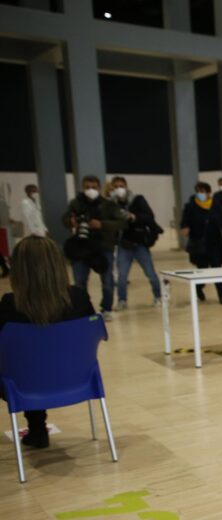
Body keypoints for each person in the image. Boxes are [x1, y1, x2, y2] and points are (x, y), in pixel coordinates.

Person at [0, 236, 95, 449]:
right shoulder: (79, 298)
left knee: (24, 364)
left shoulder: (9, 305)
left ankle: (37, 428)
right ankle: (37, 428)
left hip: (23, 385)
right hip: (78, 378)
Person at [61, 175, 127, 318]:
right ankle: (83, 310)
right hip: (81, 248)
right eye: (87, 187)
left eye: (94, 188)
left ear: (99, 188)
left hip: (103, 248)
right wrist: (71, 221)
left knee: (107, 281)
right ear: (82, 188)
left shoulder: (108, 205)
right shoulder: (75, 204)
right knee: (79, 282)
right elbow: (65, 219)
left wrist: (102, 224)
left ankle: (107, 309)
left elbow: (122, 223)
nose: (90, 190)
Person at [179, 181, 222, 304]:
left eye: (202, 191)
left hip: (214, 244)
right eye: (198, 191)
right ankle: (198, 288)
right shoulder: (191, 206)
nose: (200, 194)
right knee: (203, 271)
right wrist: (184, 227)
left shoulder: (216, 206)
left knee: (217, 271)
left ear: (208, 193)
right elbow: (184, 221)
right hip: (199, 244)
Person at [110, 176, 163, 309]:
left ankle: (159, 297)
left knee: (150, 273)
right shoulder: (111, 204)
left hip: (140, 244)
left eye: (121, 186)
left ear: (126, 187)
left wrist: (134, 217)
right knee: (121, 276)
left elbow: (149, 216)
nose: (119, 189)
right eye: (116, 186)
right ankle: (122, 300)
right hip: (123, 244)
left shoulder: (137, 200)